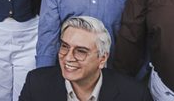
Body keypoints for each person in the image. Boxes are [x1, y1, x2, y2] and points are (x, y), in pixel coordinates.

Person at [20, 16, 152, 101]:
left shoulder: (135, 95)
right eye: (65, 46)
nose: (68, 57)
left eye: (81, 51)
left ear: (102, 59)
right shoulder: (36, 84)